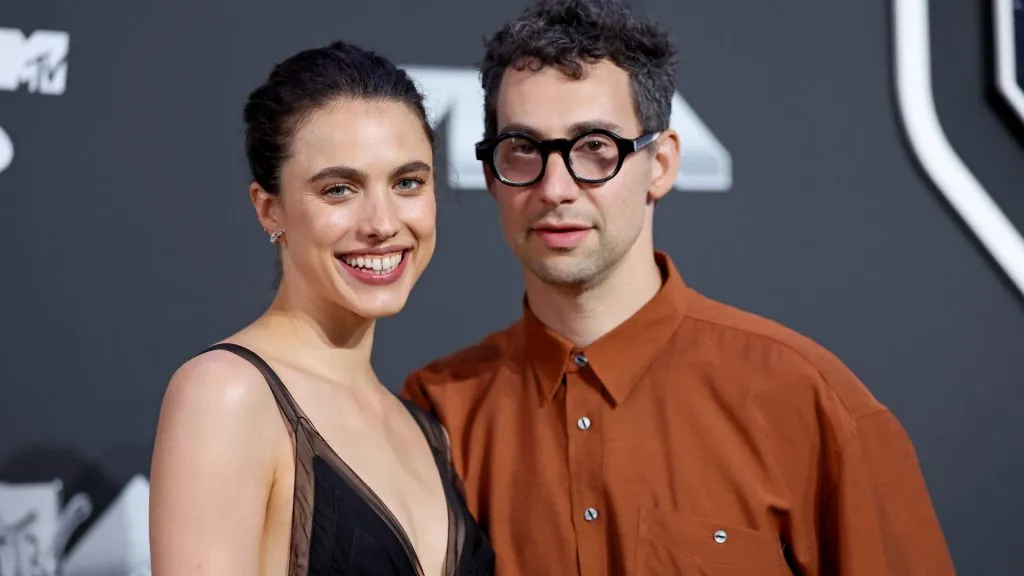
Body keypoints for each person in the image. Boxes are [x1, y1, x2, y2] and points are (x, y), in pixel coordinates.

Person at [401, 1, 956, 574]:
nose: (555, 187)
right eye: (523, 149)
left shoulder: (806, 402)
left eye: (595, 147)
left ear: (661, 163)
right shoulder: (437, 415)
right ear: (492, 174)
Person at [149, 40, 494, 576]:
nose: (381, 222)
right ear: (270, 209)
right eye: (339, 189)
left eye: (407, 182)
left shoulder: (427, 431)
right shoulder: (225, 395)